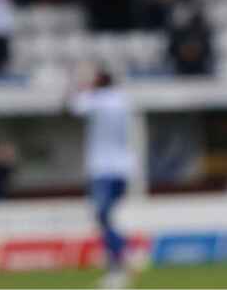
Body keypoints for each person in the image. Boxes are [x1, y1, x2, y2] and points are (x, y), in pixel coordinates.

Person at [69, 68, 136, 289]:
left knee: (102, 216)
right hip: (123, 167)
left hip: (102, 169)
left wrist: (80, 85)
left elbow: (73, 106)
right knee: (106, 217)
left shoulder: (95, 99)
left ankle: (119, 262)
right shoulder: (123, 99)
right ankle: (121, 256)